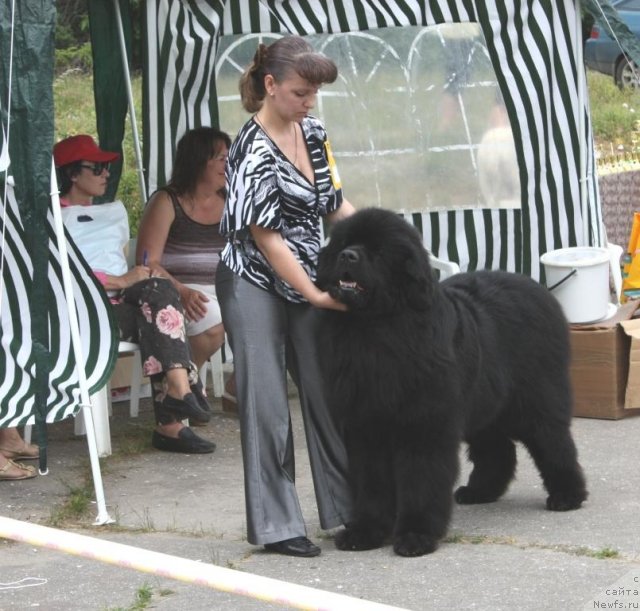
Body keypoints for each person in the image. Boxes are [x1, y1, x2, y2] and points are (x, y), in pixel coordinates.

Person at [216, 36, 356, 558]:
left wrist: (387, 241)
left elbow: (336, 204)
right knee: (268, 403)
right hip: (251, 279)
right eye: (300, 92)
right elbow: (267, 240)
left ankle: (348, 511)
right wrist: (317, 299)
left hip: (304, 271)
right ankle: (277, 525)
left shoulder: (314, 133)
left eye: (314, 92)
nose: (309, 102)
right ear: (270, 86)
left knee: (327, 391)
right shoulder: (250, 150)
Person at [53, 134, 216, 454]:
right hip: (81, 311)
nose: (106, 174)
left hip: (122, 306)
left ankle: (178, 391)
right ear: (72, 173)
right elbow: (58, 276)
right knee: (156, 313)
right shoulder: (50, 218)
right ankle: (174, 413)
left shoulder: (109, 214)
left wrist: (136, 278)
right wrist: (119, 280)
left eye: (107, 167)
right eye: (97, 167)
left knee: (161, 289)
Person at [136, 127, 236, 414]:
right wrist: (182, 290)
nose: (227, 165)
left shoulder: (232, 200)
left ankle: (232, 390)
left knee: (270, 317)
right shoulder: (167, 201)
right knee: (213, 319)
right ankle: (187, 384)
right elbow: (147, 262)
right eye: (219, 158)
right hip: (176, 291)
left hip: (225, 287)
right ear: (197, 160)